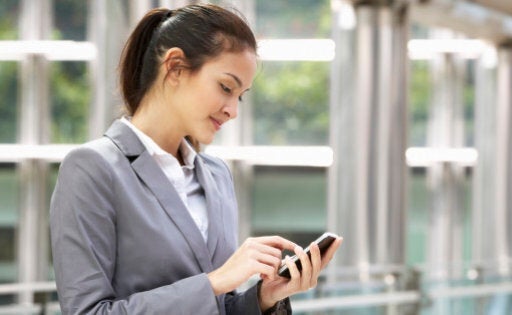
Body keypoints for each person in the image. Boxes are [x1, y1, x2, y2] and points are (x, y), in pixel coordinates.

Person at [49, 4, 342, 314]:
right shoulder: (93, 169)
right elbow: (87, 311)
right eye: (226, 87)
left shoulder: (217, 175)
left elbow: (218, 307)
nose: (233, 110)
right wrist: (214, 282)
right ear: (174, 67)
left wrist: (263, 298)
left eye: (239, 95)